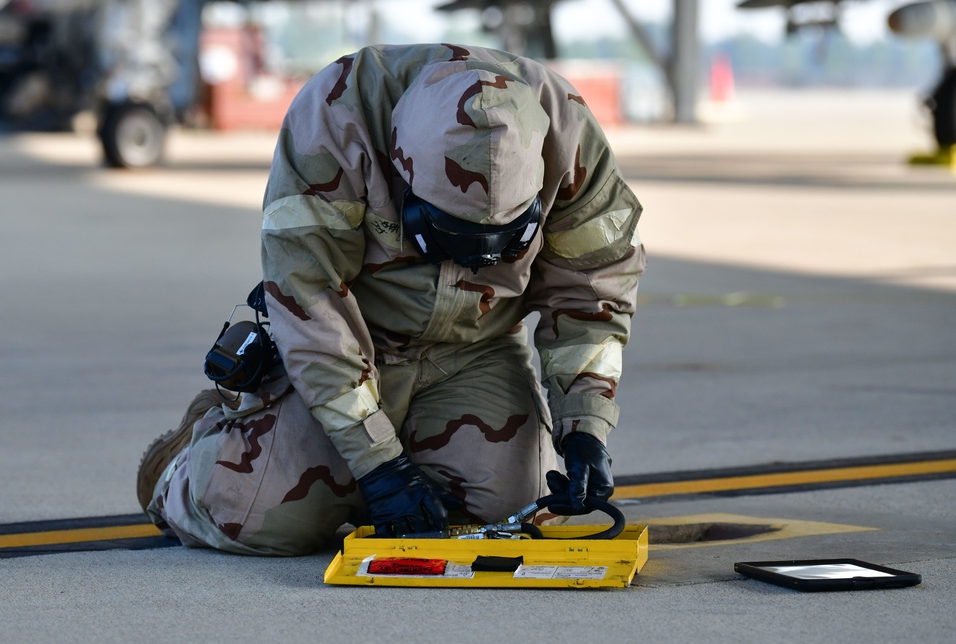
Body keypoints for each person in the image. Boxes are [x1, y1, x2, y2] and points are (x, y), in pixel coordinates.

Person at [137, 43, 646, 556]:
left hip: (476, 350)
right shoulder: (336, 115)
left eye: (506, 240)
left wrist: (584, 426)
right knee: (255, 518)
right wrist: (379, 467)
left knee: (516, 509)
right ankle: (185, 463)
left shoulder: (567, 132)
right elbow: (310, 299)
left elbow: (593, 290)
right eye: (453, 237)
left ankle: (365, 477)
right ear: (403, 169)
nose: (477, 261)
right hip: (353, 344)